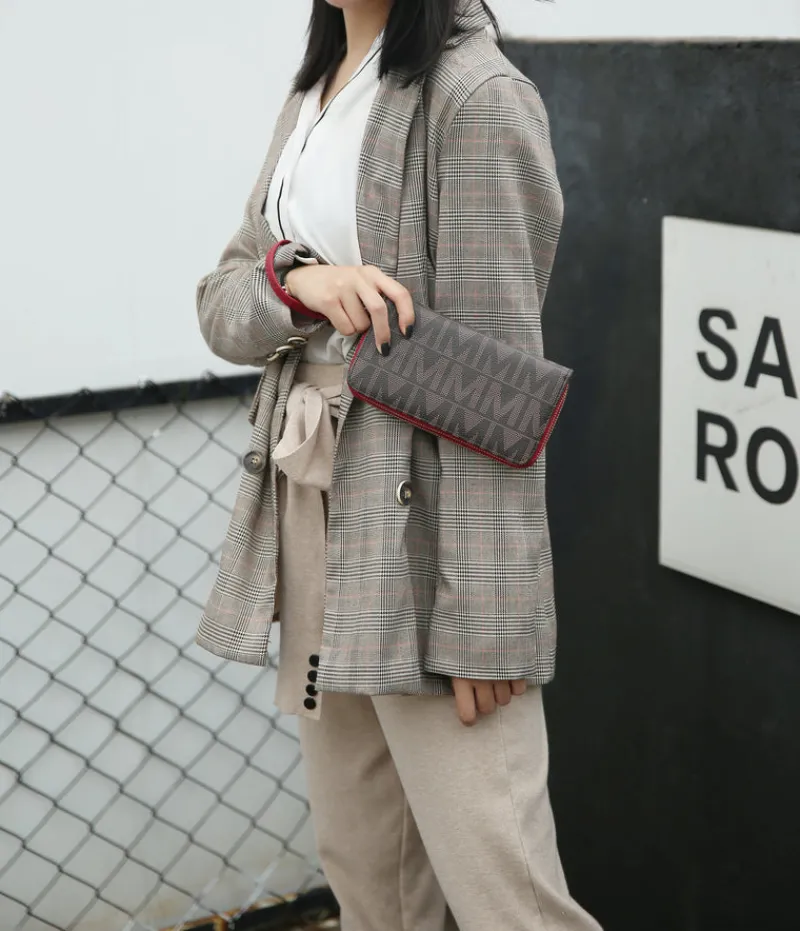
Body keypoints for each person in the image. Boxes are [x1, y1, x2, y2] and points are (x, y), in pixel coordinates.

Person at [195, 1, 603, 929]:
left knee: (506, 889)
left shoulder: (474, 94)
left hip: (423, 529)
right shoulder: (314, 89)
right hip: (310, 496)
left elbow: (494, 384)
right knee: (368, 870)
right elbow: (222, 301)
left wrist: (486, 625)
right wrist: (300, 281)